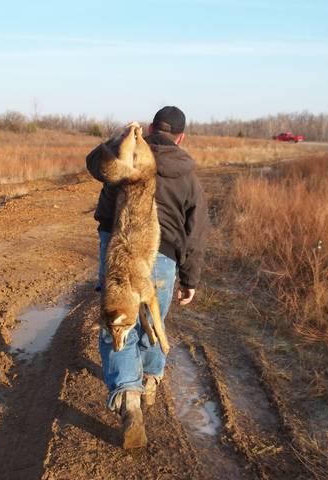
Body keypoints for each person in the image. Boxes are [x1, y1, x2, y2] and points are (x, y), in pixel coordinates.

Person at [86, 106, 209, 448]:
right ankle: (151, 381)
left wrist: (120, 136)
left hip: (118, 248)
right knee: (153, 322)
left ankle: (129, 398)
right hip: (163, 254)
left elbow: (94, 163)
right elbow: (197, 231)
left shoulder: (128, 154)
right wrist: (190, 279)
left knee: (116, 323)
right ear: (181, 138)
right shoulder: (189, 177)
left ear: (151, 128)